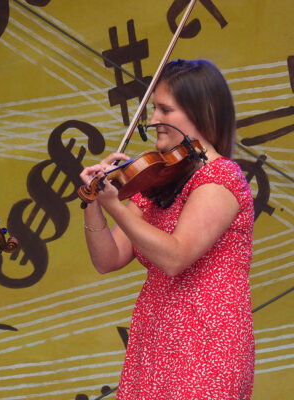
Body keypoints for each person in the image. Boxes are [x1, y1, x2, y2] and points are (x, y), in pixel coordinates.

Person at [80, 59, 255, 399]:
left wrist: (116, 205)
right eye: (154, 109)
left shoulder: (222, 178)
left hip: (205, 340)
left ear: (201, 111)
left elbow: (176, 256)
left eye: (165, 110)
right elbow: (108, 258)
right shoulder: (162, 180)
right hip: (158, 336)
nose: (154, 119)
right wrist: (93, 200)